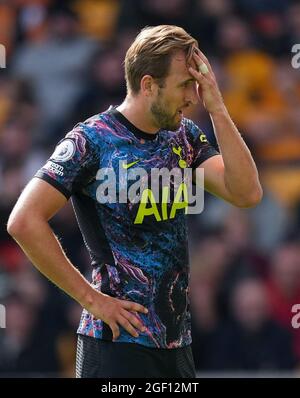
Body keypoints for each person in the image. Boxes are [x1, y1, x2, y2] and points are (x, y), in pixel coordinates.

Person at [7, 25, 262, 378]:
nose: (192, 96)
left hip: (176, 343)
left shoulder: (184, 135)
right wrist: (90, 299)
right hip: (115, 342)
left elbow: (246, 193)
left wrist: (218, 108)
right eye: (184, 85)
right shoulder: (91, 139)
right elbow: (23, 220)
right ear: (148, 85)